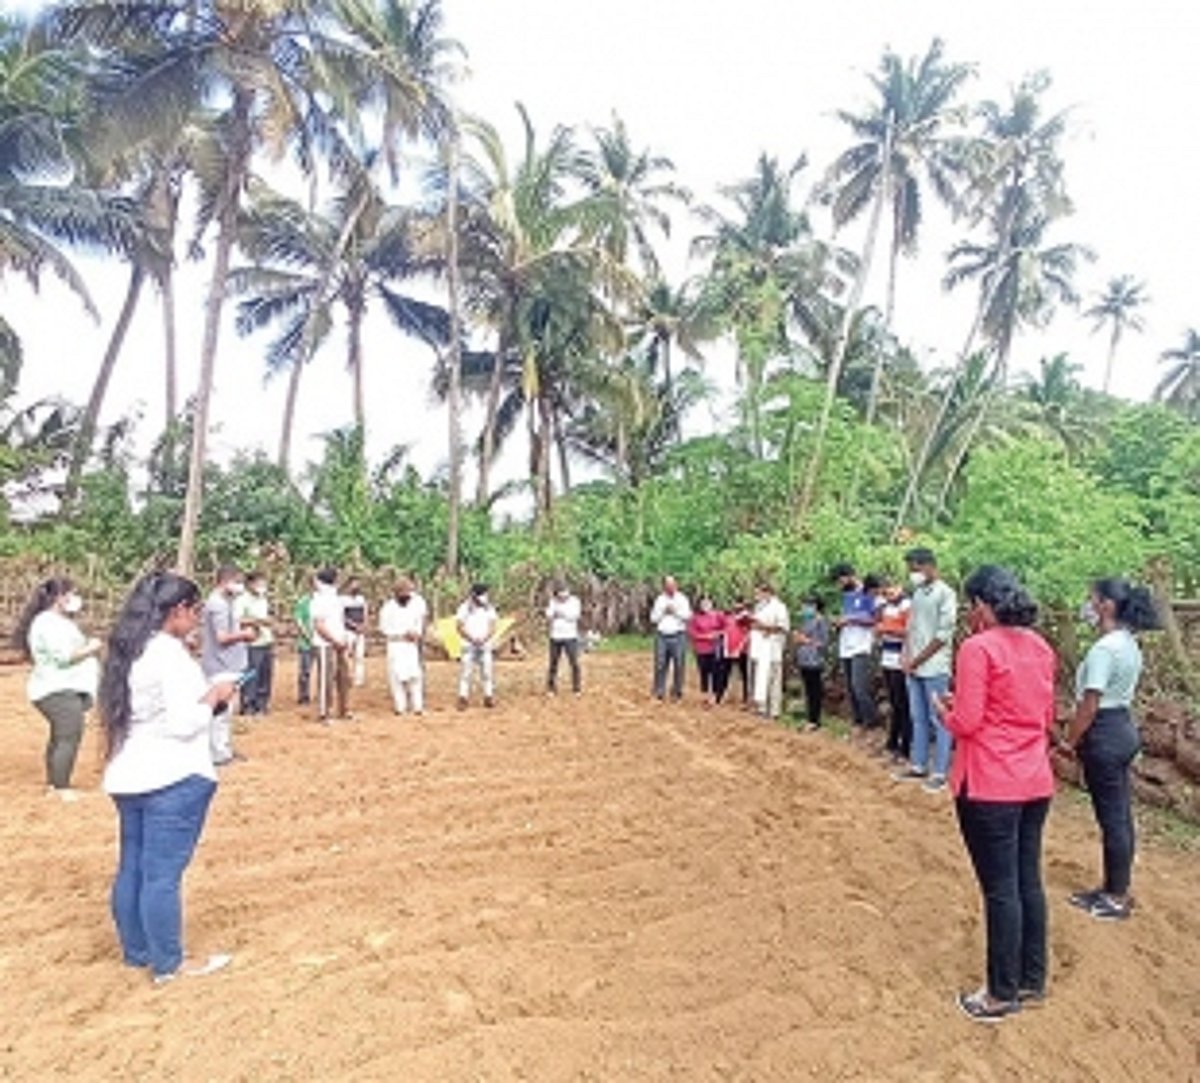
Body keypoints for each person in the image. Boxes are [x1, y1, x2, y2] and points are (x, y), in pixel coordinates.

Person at [98, 572, 237, 984]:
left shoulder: (128, 651)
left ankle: (137, 951)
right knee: (162, 875)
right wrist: (216, 697)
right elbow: (185, 723)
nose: (197, 618)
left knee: (133, 867)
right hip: (173, 776)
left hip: (129, 774)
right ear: (178, 610)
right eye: (195, 610)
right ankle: (168, 963)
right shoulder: (170, 656)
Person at [935, 566, 1056, 1022]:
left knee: (1000, 890)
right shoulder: (1040, 646)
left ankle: (1000, 994)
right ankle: (1031, 979)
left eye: (972, 605)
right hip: (1034, 780)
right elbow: (1044, 716)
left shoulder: (978, 648)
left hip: (989, 782)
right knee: (1028, 881)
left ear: (982, 605)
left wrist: (944, 713)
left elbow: (967, 721)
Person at [1058, 578, 1159, 922]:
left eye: (1092, 599)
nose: (1088, 606)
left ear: (1107, 606)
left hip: (1104, 731)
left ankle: (1115, 896)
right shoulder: (1128, 643)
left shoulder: (1104, 649)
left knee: (1113, 818)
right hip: (1122, 727)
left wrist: (1069, 741)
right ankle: (1113, 887)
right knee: (1120, 815)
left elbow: (1089, 704)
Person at [14, 578, 102, 799]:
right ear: (59, 597)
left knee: (61, 735)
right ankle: (61, 787)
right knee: (69, 735)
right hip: (57, 687)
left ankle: (55, 784)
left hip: (61, 686)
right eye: (71, 593)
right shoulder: (48, 623)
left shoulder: (56, 621)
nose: (75, 598)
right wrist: (92, 647)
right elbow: (65, 657)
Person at [894, 548, 958, 793]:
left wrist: (917, 659)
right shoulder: (918, 594)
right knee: (918, 718)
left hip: (935, 667)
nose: (913, 574)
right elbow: (911, 629)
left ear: (930, 566)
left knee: (939, 719)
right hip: (914, 666)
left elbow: (943, 635)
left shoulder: (946, 594)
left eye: (916, 568)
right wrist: (906, 656)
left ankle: (940, 772)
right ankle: (918, 765)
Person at [200, 566, 255, 764]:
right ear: (225, 581)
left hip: (228, 663)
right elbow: (222, 637)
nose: (241, 586)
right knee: (221, 711)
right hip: (221, 664)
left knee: (226, 710)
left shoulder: (225, 602)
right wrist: (244, 635)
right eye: (237, 582)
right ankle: (218, 753)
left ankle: (223, 749)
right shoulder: (218, 605)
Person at [831, 564, 878, 729]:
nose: (839, 584)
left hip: (861, 646)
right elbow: (847, 617)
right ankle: (858, 721)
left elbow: (873, 619)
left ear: (850, 576)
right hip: (846, 645)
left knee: (859, 687)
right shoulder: (847, 595)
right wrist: (839, 623)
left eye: (840, 580)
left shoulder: (868, 593)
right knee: (850, 687)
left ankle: (870, 721)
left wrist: (851, 619)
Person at [378, 576, 428, 715]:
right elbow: (383, 628)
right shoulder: (388, 608)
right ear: (396, 593)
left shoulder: (416, 604)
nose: (407, 595)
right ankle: (400, 707)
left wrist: (417, 633)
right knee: (396, 677)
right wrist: (401, 634)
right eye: (403, 592)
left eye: (408, 592)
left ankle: (418, 707)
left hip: (411, 645)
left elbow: (420, 621)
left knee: (415, 675)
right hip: (396, 644)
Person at [877, 578, 913, 764]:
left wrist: (886, 628)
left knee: (903, 704)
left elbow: (910, 631)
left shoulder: (907, 605)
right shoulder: (886, 607)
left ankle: (905, 746)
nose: (888, 592)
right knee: (894, 703)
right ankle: (892, 742)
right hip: (888, 657)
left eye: (891, 589)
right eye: (886, 590)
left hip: (901, 659)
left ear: (900, 587)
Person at [311, 567, 352, 722]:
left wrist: (343, 639)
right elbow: (319, 626)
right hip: (325, 644)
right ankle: (324, 712)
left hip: (339, 641)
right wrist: (334, 641)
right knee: (326, 679)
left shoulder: (335, 599)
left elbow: (339, 622)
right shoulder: (319, 599)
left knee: (344, 677)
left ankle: (344, 709)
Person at [749, 583, 789, 719]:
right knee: (760, 677)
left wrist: (766, 628)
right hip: (759, 647)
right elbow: (755, 624)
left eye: (759, 593)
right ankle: (761, 707)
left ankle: (774, 710)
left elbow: (783, 627)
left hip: (772, 647)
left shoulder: (779, 607)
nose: (757, 596)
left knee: (773, 679)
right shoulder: (759, 607)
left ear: (768, 593)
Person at [650, 576, 692, 702]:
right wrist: (663, 611)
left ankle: (677, 692)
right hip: (661, 635)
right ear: (664, 586)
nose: (671, 587)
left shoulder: (682, 599)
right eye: (668, 585)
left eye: (673, 584)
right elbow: (653, 619)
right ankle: (659, 691)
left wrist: (675, 612)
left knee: (679, 664)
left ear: (676, 585)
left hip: (678, 635)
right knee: (660, 664)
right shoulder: (660, 599)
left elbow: (688, 616)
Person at [238, 571, 274, 715]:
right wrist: (258, 621)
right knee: (251, 674)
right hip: (251, 643)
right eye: (259, 583)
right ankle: (248, 704)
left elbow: (268, 617)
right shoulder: (242, 600)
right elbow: (238, 619)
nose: (262, 586)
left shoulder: (263, 599)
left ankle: (262, 704)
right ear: (250, 584)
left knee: (266, 673)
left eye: (264, 583)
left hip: (266, 640)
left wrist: (267, 621)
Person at [457, 584, 498, 709]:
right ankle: (463, 697)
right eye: (484, 594)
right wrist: (471, 638)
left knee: (487, 672)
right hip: (468, 645)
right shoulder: (464, 608)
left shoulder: (489, 609)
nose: (486, 597)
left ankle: (488, 696)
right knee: (466, 673)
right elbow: (459, 627)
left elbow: (493, 626)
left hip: (485, 645)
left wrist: (484, 638)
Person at [793, 596, 828, 731]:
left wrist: (805, 640)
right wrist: (798, 638)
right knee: (808, 690)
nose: (804, 608)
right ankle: (809, 718)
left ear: (815, 606)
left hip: (815, 660)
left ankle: (815, 720)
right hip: (804, 659)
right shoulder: (806, 620)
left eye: (807, 605)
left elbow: (824, 643)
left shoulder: (821, 621)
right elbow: (802, 638)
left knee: (815, 690)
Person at [545, 582, 583, 696]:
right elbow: (548, 615)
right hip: (555, 636)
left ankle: (576, 688)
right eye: (560, 595)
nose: (562, 597)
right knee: (553, 663)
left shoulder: (575, 601)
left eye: (565, 593)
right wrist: (555, 614)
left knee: (574, 662)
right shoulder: (553, 601)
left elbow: (574, 616)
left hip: (570, 636)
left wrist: (560, 614)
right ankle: (551, 688)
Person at [718, 600, 752, 706]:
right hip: (728, 649)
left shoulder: (746, 618)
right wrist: (726, 649)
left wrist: (739, 648)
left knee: (745, 674)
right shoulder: (728, 618)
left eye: (740, 606)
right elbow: (725, 633)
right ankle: (720, 696)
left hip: (742, 651)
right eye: (736, 605)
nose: (737, 607)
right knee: (724, 673)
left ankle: (746, 698)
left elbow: (747, 635)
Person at [341, 577, 369, 687]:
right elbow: (342, 617)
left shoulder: (361, 599)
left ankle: (359, 679)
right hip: (348, 631)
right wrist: (354, 626)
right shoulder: (342, 600)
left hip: (360, 632)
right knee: (346, 656)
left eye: (358, 584)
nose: (356, 587)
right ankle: (346, 677)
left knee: (360, 656)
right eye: (354, 584)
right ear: (348, 586)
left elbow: (365, 613)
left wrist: (364, 625)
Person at [294, 587, 315, 705]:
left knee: (324, 670)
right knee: (305, 671)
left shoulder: (322, 601)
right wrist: (307, 636)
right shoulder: (303, 602)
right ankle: (303, 695)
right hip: (306, 642)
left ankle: (322, 694)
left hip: (321, 641)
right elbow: (299, 621)